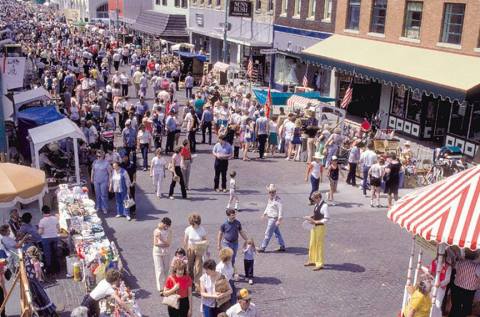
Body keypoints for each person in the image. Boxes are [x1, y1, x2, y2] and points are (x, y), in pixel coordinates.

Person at [24, 246, 58, 316]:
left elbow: (37, 273)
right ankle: (45, 311)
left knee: (38, 297)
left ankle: (44, 312)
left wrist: (33, 278)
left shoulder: (30, 261)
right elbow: (38, 274)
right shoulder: (34, 261)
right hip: (33, 282)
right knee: (40, 297)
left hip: (33, 283)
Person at [448, 250, 480, 317]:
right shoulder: (477, 267)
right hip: (469, 291)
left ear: (465, 254)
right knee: (466, 310)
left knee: (455, 307)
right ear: (475, 256)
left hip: (457, 288)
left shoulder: (459, 262)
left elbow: (455, 268)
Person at [303, 191, 329, 271]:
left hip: (320, 227)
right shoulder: (317, 204)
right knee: (312, 243)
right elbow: (317, 214)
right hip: (314, 227)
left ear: (318, 198)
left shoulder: (325, 206)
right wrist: (310, 217)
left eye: (314, 200)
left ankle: (319, 263)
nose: (313, 201)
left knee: (319, 245)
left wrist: (315, 221)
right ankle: (312, 260)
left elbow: (326, 218)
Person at [258, 184, 285, 253]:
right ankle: (282, 246)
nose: (271, 193)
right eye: (270, 192)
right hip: (270, 218)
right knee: (277, 233)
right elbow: (268, 206)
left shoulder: (278, 200)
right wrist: (264, 213)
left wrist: (279, 220)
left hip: (273, 219)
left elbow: (280, 210)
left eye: (273, 192)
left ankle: (263, 247)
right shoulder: (270, 198)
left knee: (268, 233)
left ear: (275, 192)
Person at [184, 213, 208, 290]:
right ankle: (191, 283)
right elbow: (185, 240)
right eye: (194, 224)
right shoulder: (188, 229)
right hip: (190, 248)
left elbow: (205, 240)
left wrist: (206, 250)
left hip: (199, 248)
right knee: (190, 267)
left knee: (198, 267)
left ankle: (197, 284)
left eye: (197, 223)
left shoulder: (202, 229)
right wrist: (185, 251)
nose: (196, 225)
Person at [38, 206, 60, 275]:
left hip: (46, 239)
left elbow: (40, 232)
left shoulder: (42, 221)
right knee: (55, 253)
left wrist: (37, 231)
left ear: (42, 212)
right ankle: (57, 269)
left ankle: (50, 270)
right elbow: (58, 228)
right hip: (54, 237)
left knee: (48, 255)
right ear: (49, 211)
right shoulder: (55, 218)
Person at [153, 217, 173, 293]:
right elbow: (155, 243)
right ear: (163, 224)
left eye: (168, 226)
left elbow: (168, 243)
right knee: (159, 270)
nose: (167, 227)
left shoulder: (169, 231)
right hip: (157, 252)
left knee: (166, 269)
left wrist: (161, 239)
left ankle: (166, 286)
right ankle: (160, 288)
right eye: (166, 225)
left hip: (166, 252)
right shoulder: (156, 231)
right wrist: (164, 244)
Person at [120, 153, 137, 219]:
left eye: (124, 157)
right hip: (124, 183)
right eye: (122, 157)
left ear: (127, 157)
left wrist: (134, 181)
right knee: (126, 197)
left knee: (131, 196)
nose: (124, 158)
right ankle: (127, 210)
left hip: (131, 183)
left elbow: (134, 173)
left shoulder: (132, 164)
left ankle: (133, 210)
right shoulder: (121, 165)